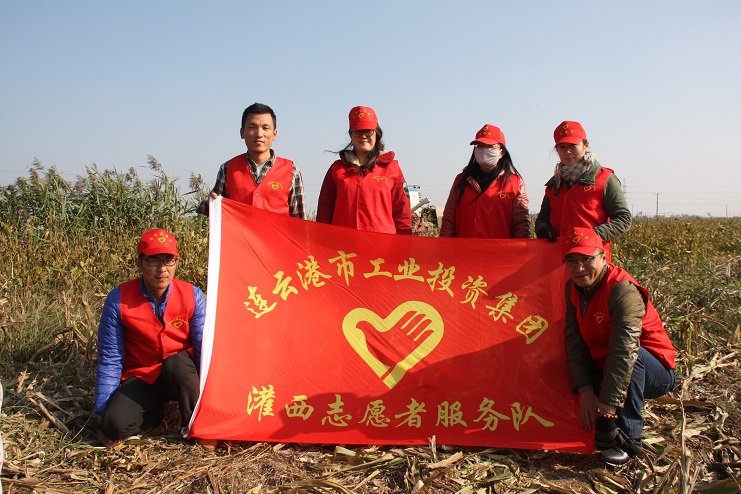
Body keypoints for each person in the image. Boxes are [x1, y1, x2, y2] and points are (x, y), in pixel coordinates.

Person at [562, 227, 676, 465]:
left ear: (603, 258)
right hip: (606, 363)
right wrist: (585, 389)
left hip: (653, 368)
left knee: (634, 358)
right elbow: (574, 339)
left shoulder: (622, 290)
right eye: (571, 261)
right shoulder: (572, 288)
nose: (579, 268)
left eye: (586, 259)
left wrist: (607, 409)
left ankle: (628, 437)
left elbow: (625, 348)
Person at [94, 229, 214, 449]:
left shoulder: (193, 295)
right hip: (143, 374)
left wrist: (211, 402)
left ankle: (195, 423)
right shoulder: (118, 299)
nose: (162, 269)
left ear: (176, 262)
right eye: (153, 261)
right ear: (139, 263)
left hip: (182, 375)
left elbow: (204, 349)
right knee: (112, 427)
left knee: (176, 362)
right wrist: (103, 409)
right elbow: (110, 357)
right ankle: (156, 410)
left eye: (168, 260)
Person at [535, 121, 631, 258]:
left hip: (593, 258)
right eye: (562, 147)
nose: (568, 151)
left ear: (586, 146)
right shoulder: (554, 184)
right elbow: (542, 219)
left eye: (573, 146)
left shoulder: (605, 179)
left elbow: (623, 218)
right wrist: (543, 229)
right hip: (559, 257)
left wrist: (592, 236)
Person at [197, 102, 306, 219]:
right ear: (242, 133)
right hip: (238, 231)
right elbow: (213, 210)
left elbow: (299, 219)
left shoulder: (291, 171)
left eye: (265, 128)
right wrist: (209, 204)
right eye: (252, 127)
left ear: (274, 134)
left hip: (275, 232)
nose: (259, 134)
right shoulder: (227, 169)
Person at [316, 106, 412, 234]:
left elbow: (402, 215)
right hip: (344, 243)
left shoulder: (392, 169)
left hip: (382, 244)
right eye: (358, 131)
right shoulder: (336, 170)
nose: (363, 136)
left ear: (376, 133)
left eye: (368, 131)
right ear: (351, 135)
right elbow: (324, 213)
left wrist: (404, 243)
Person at [440, 124, 530, 238]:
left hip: (500, 248)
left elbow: (521, 225)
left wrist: (520, 247)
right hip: (465, 248)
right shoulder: (461, 180)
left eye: (490, 146)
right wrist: (445, 245)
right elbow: (449, 220)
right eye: (480, 146)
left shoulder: (515, 183)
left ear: (502, 152)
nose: (484, 150)